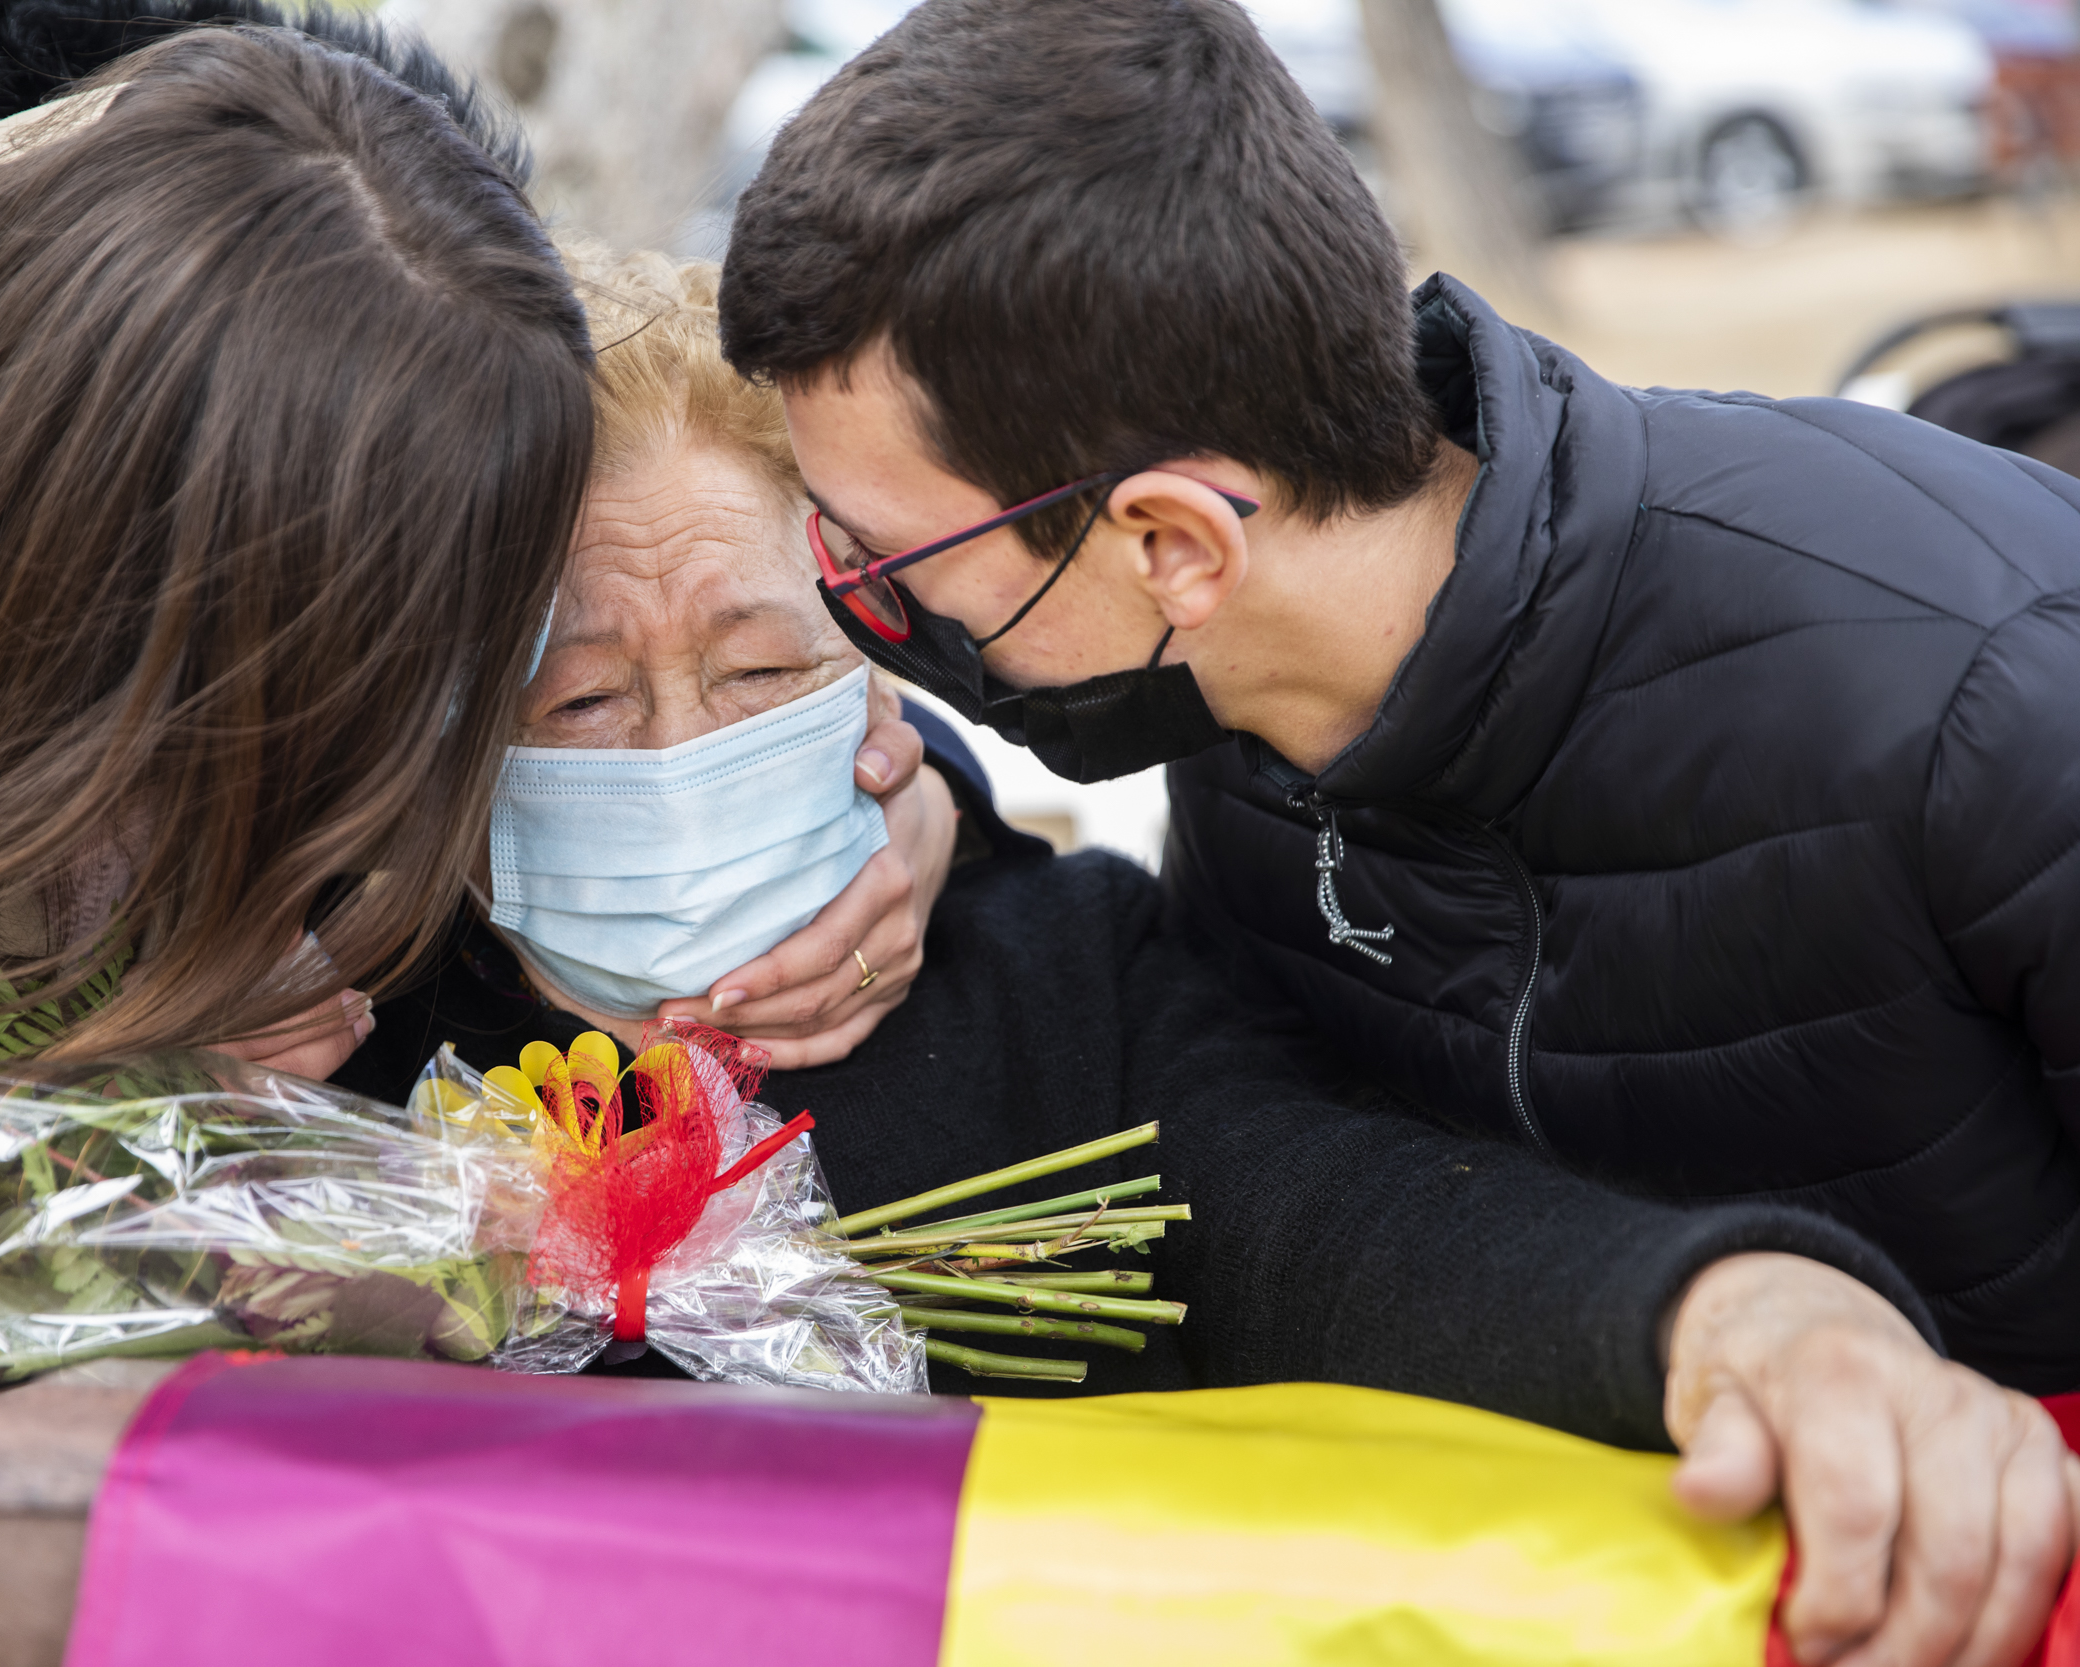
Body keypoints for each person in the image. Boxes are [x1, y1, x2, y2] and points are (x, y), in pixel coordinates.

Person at [334, 248, 2072, 1658]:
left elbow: (1327, 1215)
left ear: (877, 664)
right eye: (580, 697)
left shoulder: (1059, 967)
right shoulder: (303, 1032)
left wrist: (1733, 1312)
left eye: (757, 674)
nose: (672, 750)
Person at [713, 3, 2080, 1661]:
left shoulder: (1992, 699)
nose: (868, 617)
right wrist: (943, 811)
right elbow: (1287, 1155)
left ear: (1172, 546)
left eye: (882, 560)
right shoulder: (1240, 699)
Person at [0, 0, 947, 1322]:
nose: (391, 779)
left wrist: (884, 803)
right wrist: (27, 1149)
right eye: (340, 711)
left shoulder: (399, 320)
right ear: (123, 628)